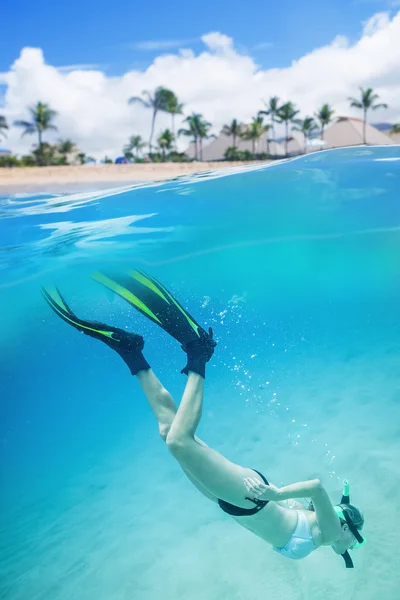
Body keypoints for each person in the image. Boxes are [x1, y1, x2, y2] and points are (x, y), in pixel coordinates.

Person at [42, 270, 365, 567]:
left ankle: (130, 351)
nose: (350, 546)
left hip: (232, 501)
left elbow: (312, 504)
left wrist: (287, 499)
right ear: (347, 527)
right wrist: (276, 494)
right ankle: (199, 351)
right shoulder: (331, 532)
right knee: (179, 443)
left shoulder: (322, 532)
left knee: (169, 431)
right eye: (355, 540)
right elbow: (317, 488)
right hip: (249, 496)